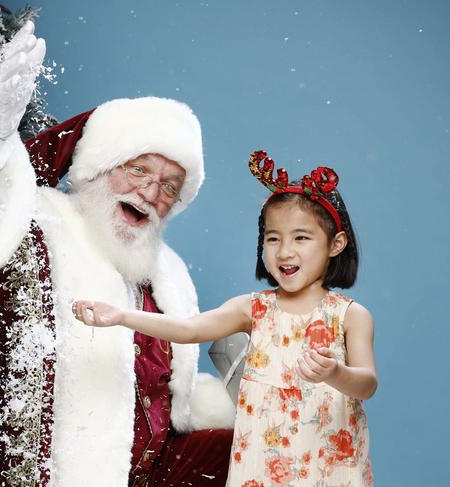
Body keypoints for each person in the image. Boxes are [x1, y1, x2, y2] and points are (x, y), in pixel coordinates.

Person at [0, 21, 235, 487]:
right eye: (139, 168)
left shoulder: (169, 281)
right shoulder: (32, 226)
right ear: (98, 168)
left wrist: (260, 414)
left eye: (170, 185)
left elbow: (164, 426)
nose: (151, 191)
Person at [74, 151, 377, 486]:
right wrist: (121, 316)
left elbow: (366, 384)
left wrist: (335, 372)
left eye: (301, 238)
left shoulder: (350, 316)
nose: (284, 251)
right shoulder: (253, 308)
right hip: (263, 464)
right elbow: (189, 329)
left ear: (335, 244)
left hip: (328, 463)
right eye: (273, 238)